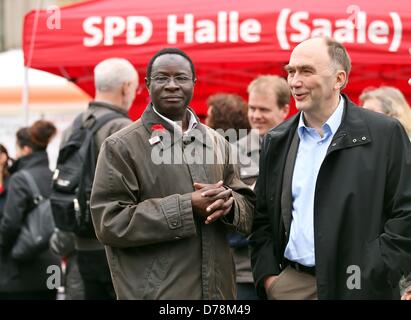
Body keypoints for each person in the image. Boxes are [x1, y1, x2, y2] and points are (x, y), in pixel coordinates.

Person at [250, 37, 411, 300]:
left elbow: (406, 213)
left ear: (339, 79)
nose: (294, 81)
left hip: (361, 284)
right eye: (290, 71)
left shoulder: (384, 133)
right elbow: (263, 220)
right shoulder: (278, 140)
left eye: (306, 70)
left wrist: (376, 270)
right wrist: (270, 279)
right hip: (293, 284)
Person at [90, 48, 255, 299]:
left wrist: (229, 205)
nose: (171, 85)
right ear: (147, 85)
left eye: (180, 78)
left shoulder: (218, 142)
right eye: (161, 78)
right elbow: (109, 222)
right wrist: (187, 207)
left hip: (219, 293)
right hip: (159, 294)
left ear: (193, 83)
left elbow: (248, 207)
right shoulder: (121, 146)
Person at [50, 57, 138, 300]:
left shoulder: (75, 126)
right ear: (126, 87)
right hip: (114, 248)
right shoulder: (122, 127)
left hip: (79, 241)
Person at [228, 75, 291, 300]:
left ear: (285, 109)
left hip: (293, 270)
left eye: (263, 109)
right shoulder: (232, 152)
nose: (255, 116)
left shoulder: (302, 147)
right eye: (252, 108)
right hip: (246, 269)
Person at [0, 120, 59, 300]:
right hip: (52, 269)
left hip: (21, 273)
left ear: (25, 149)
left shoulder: (19, 179)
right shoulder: (54, 176)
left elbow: (10, 224)